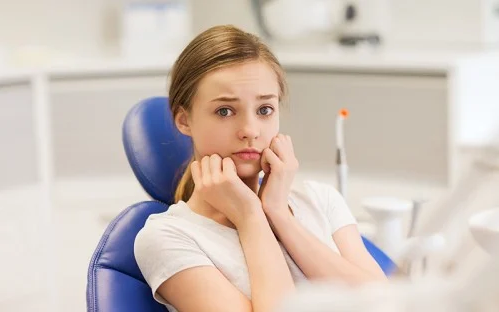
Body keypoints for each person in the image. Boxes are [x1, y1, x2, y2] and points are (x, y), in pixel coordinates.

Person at [134, 25, 387, 312]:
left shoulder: (321, 200)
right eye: (225, 111)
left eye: (264, 110)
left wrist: (280, 216)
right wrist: (250, 217)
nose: (250, 130)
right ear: (184, 121)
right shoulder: (167, 238)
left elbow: (385, 303)